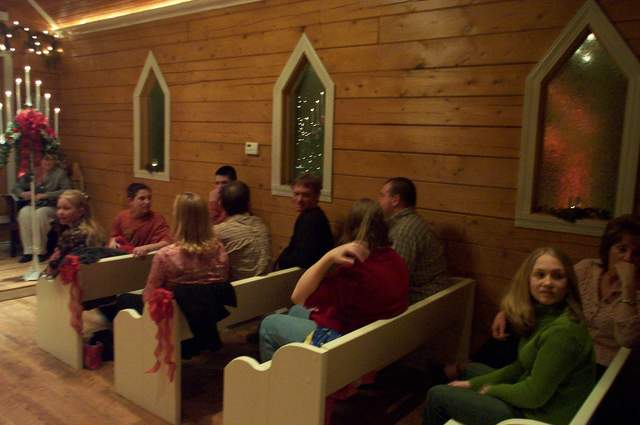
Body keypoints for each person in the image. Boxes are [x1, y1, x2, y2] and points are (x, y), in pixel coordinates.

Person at [423, 247, 595, 425]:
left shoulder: (563, 332)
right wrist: (471, 385)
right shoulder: (542, 314)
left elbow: (534, 396)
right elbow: (520, 367)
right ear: (527, 279)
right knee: (470, 370)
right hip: (533, 400)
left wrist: (490, 390)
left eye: (557, 276)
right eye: (540, 275)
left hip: (539, 417)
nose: (547, 282)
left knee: (437, 396)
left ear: (568, 284)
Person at [260, 198, 409, 362]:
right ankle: (300, 366)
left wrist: (329, 257)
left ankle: (279, 376)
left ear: (350, 228)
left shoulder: (355, 270)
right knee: (295, 311)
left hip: (346, 344)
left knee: (269, 324)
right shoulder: (395, 258)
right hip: (375, 336)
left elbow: (298, 296)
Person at [491, 215, 640, 371]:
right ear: (608, 249)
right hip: (558, 341)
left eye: (637, 253)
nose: (628, 258)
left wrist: (628, 287)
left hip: (597, 362)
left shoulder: (635, 293)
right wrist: (507, 312)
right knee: (508, 332)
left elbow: (627, 339)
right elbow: (545, 289)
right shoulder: (587, 268)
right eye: (622, 249)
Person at [378, 177, 448, 302]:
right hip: (428, 290)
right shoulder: (407, 222)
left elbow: (395, 277)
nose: (378, 200)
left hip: (425, 295)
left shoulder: (404, 231)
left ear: (395, 200)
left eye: (382, 195)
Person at [12, 153, 72, 262]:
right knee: (24, 213)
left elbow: (67, 190)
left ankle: (40, 251)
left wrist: (46, 195)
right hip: (35, 204)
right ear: (41, 161)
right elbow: (16, 187)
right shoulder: (34, 172)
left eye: (50, 160)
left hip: (52, 205)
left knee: (40, 214)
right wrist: (22, 193)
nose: (47, 162)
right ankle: (29, 251)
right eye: (45, 159)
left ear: (55, 162)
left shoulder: (60, 174)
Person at [274, 174, 334, 269]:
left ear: (317, 196)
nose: (299, 200)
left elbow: (304, 260)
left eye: (306, 195)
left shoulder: (312, 220)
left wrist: (280, 262)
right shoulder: (307, 215)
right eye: (296, 194)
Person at [214, 181, 271, 280]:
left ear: (221, 205)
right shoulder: (261, 225)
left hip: (239, 288)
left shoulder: (220, 231)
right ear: (248, 204)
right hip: (268, 285)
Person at [46, 190, 106, 276]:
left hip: (76, 277)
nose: (60, 212)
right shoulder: (96, 229)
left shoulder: (71, 235)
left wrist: (51, 262)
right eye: (58, 208)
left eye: (66, 208)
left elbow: (52, 270)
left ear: (81, 211)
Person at [108, 183, 172, 256]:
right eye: (142, 198)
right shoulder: (121, 217)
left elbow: (167, 242)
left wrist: (147, 248)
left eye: (149, 198)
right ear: (130, 201)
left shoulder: (157, 219)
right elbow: (114, 236)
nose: (147, 202)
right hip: (123, 257)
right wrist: (112, 242)